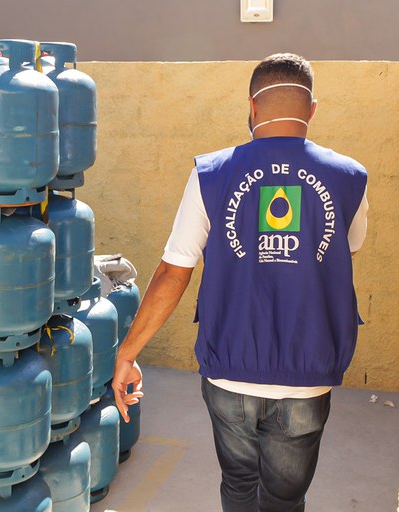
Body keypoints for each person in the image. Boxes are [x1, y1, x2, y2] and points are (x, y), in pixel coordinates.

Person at [111, 53, 368, 512]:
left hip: (229, 371)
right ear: (312, 110)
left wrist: (128, 353)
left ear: (252, 106)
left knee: (237, 484)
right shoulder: (349, 177)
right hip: (306, 375)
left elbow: (173, 271)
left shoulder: (211, 173)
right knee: (285, 499)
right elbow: (343, 250)